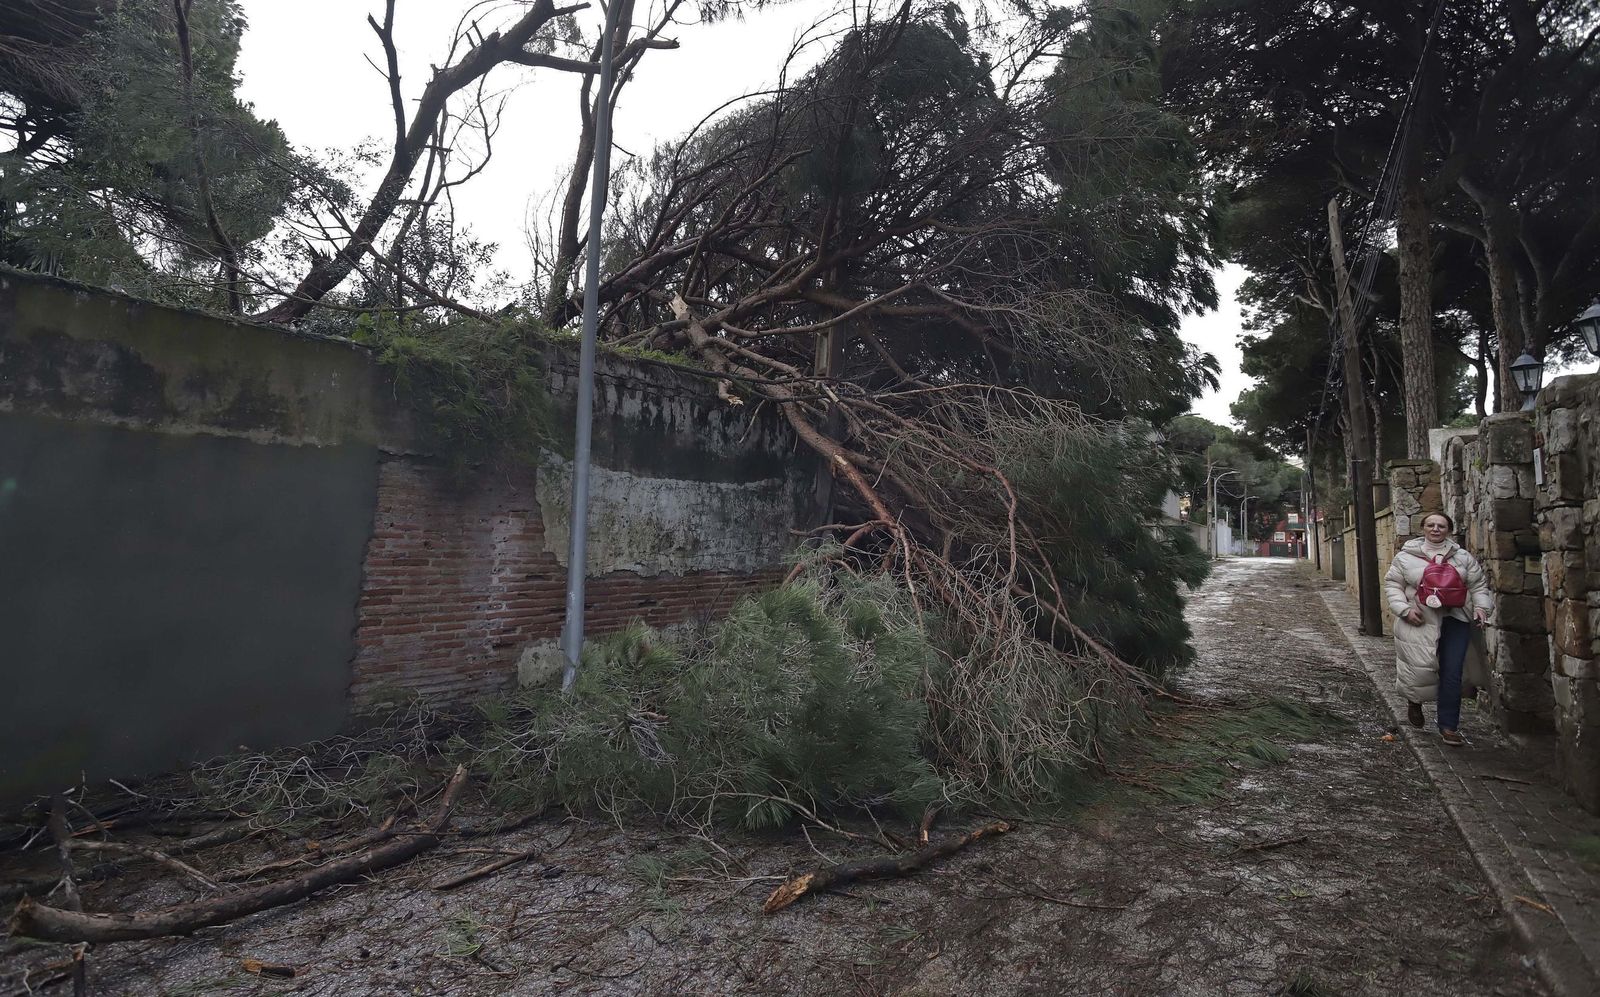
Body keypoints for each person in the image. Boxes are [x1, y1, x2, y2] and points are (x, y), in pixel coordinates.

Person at [1383, 512, 1493, 745]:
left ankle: (1448, 726)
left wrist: (1481, 608)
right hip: (1420, 619)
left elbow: (1478, 585)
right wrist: (1404, 609)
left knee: (1452, 672)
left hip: (1456, 619)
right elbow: (1393, 584)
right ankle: (1414, 701)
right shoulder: (1406, 557)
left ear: (1448, 530)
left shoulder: (1462, 557)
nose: (1435, 529)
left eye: (1441, 526)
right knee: (1421, 668)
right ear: (1423, 528)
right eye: (1431, 525)